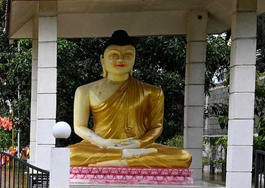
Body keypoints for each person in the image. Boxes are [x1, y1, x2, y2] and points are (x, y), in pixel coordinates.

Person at [69, 30, 192, 168]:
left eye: (128, 55)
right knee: (70, 156)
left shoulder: (152, 92)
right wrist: (103, 142)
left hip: (139, 146)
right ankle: (127, 159)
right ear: (102, 60)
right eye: (114, 56)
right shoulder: (85, 91)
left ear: (134, 59)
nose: (121, 60)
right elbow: (79, 126)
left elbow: (156, 127)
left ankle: (120, 160)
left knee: (183, 157)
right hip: (101, 147)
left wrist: (139, 143)